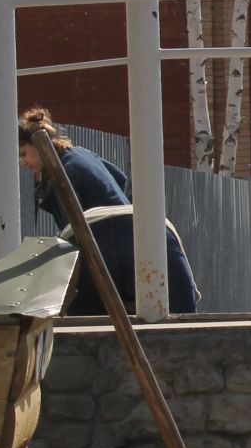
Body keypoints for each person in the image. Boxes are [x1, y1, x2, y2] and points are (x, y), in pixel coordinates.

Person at [19, 107, 201, 315]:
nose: (24, 162)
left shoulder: (61, 175)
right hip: (151, 233)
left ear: (38, 145)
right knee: (176, 315)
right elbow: (120, 178)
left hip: (105, 243)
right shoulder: (82, 154)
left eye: (24, 153)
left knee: (86, 325)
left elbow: (72, 229)